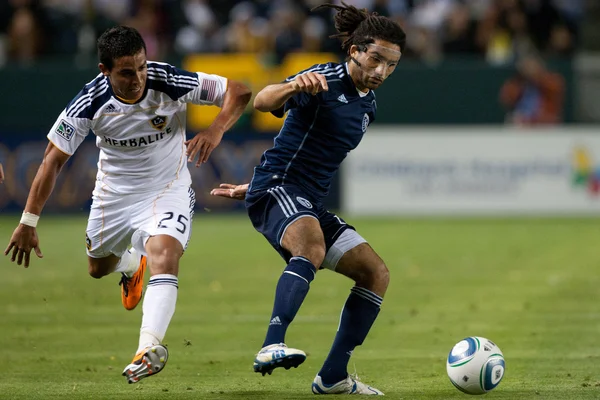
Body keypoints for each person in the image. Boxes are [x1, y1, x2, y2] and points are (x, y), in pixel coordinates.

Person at [4, 26, 251, 384]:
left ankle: (146, 348)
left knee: (166, 254)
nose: (137, 78)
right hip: (114, 196)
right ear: (105, 71)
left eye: (141, 67)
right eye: (126, 71)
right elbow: (51, 161)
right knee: (96, 268)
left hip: (168, 188)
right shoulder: (89, 101)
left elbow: (239, 90)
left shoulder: (168, 79)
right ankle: (131, 264)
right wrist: (28, 222)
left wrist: (215, 130)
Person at [210, 2, 405, 395]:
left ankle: (333, 377)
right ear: (355, 51)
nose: (382, 71)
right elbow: (263, 101)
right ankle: (271, 345)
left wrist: (254, 187)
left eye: (391, 64)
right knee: (311, 245)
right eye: (376, 59)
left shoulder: (367, 105)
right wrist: (294, 85)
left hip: (303, 199)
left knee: (376, 274)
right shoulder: (323, 80)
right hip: (280, 187)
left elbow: (314, 153)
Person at [499, 54, 565, 126]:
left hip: (545, 122)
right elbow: (506, 99)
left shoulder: (551, 81)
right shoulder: (517, 83)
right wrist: (521, 82)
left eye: (532, 65)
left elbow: (556, 90)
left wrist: (537, 78)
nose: (530, 69)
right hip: (522, 122)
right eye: (527, 66)